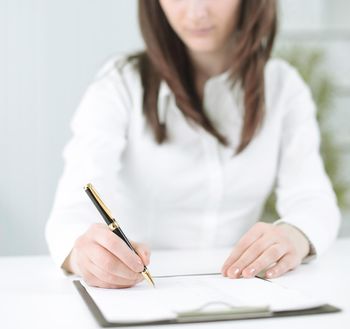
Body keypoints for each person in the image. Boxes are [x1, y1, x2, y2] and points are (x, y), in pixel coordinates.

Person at [45, 0, 340, 289]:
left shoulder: (283, 86)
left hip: (241, 288)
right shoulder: (121, 84)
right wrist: (85, 257)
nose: (196, 12)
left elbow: (313, 199)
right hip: (143, 293)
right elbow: (72, 211)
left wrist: (295, 234)